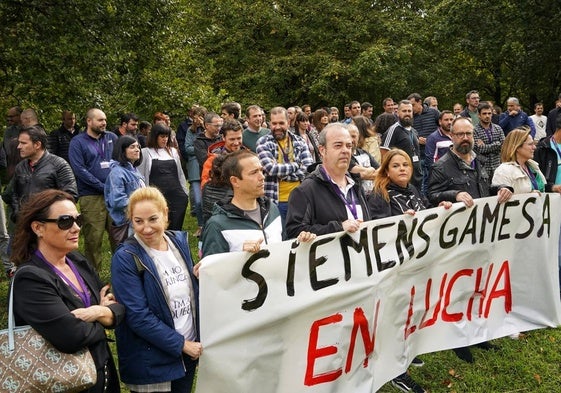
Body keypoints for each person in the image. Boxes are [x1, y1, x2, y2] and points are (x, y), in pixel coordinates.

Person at [11, 189, 124, 392]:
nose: (76, 228)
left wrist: (97, 312)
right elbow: (71, 337)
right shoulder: (30, 279)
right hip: (62, 382)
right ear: (38, 228)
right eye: (65, 221)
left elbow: (118, 308)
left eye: (78, 220)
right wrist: (104, 315)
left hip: (103, 375)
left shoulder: (77, 261)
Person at [111, 187, 201, 393]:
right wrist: (181, 344)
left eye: (153, 219)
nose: (146, 228)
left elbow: (188, 292)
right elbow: (137, 316)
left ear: (166, 214)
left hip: (186, 356)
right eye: (138, 221)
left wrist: (203, 275)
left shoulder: (178, 242)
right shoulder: (126, 257)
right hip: (152, 361)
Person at [69, 108, 118, 270]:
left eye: (105, 119)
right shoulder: (78, 142)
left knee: (119, 237)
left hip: (115, 196)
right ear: (89, 121)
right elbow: (79, 170)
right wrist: (102, 186)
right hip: (91, 197)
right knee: (93, 240)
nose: (104, 123)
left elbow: (121, 161)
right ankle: (93, 280)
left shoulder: (112, 137)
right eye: (100, 120)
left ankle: (124, 274)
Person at [6, 125, 78, 222]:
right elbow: (14, 193)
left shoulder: (59, 165)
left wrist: (50, 215)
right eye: (19, 143)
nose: (19, 147)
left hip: (50, 224)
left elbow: (70, 195)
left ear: (37, 145)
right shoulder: (20, 167)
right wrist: (17, 213)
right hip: (26, 224)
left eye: (23, 143)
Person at [256, 106, 313, 221]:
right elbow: (271, 169)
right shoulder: (263, 142)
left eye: (281, 123)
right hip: (275, 201)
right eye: (274, 123)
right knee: (281, 237)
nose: (277, 127)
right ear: (270, 123)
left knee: (300, 234)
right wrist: (297, 165)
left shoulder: (299, 141)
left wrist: (282, 173)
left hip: (299, 199)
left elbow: (308, 167)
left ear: (288, 123)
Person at [138, 123, 188, 230]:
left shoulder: (173, 152)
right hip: (157, 197)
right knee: (159, 226)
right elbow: (141, 177)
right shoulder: (145, 153)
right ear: (155, 137)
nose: (165, 139)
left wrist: (185, 193)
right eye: (162, 136)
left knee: (176, 227)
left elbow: (180, 174)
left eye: (166, 136)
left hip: (177, 197)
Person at [104, 136, 145, 246]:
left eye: (138, 147)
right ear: (122, 150)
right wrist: (141, 205)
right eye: (132, 147)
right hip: (128, 223)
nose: (137, 150)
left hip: (139, 219)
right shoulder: (117, 173)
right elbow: (117, 201)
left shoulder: (135, 170)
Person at [380, 100, 423, 190]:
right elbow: (384, 155)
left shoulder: (414, 131)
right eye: (404, 111)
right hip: (401, 180)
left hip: (417, 178)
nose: (407, 114)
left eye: (409, 111)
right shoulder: (393, 130)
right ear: (398, 112)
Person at [492, 127, 546, 194]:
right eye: (530, 144)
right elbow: (500, 201)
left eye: (534, 144)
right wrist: (529, 196)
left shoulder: (534, 166)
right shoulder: (503, 171)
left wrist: (553, 187)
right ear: (517, 147)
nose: (534, 147)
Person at [473, 102, 505, 181]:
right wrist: (497, 144)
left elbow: (504, 146)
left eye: (489, 113)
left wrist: (486, 146)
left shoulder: (498, 128)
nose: (487, 116)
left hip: (497, 167)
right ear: (479, 115)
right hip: (483, 168)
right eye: (484, 113)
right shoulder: (474, 130)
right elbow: (479, 149)